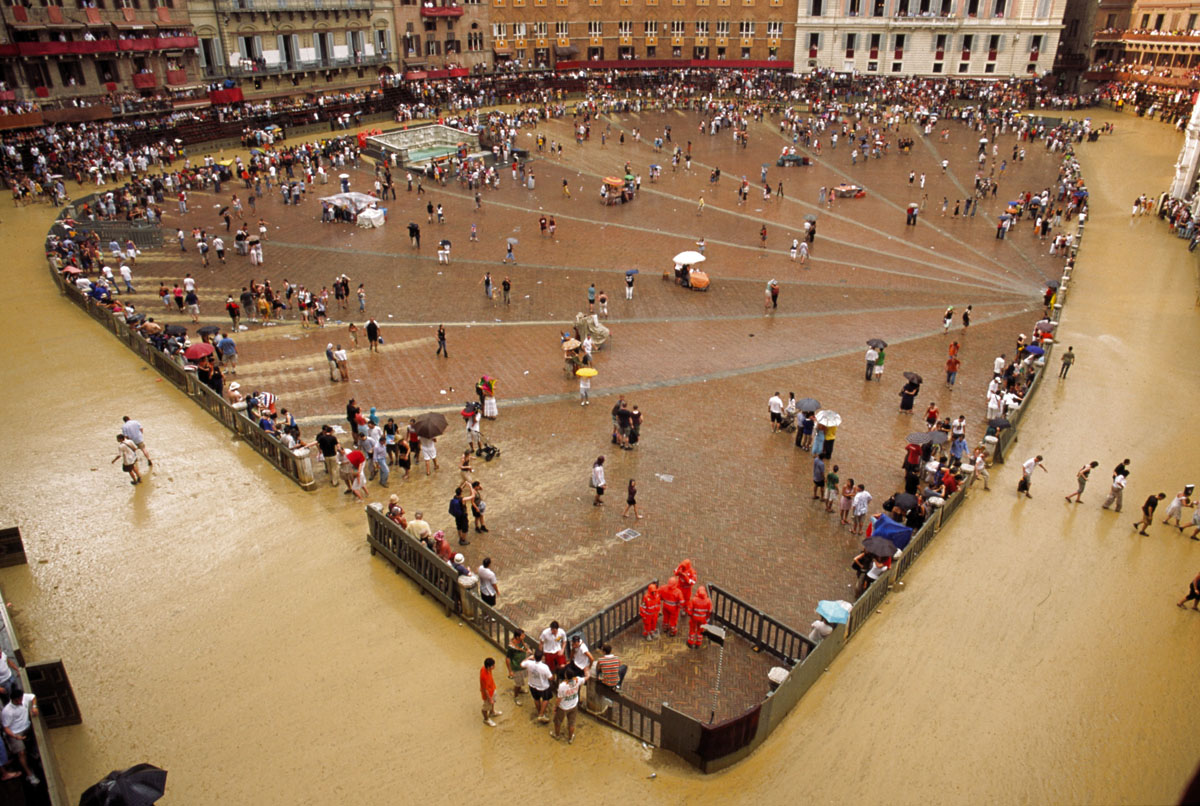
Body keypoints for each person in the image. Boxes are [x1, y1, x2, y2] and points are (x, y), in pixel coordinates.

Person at [0, 688, 38, 786]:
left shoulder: (24, 698)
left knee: (32, 747)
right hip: (15, 733)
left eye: (21, 699)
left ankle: (34, 757)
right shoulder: (7, 711)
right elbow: (6, 728)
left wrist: (34, 707)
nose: (20, 702)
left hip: (27, 728)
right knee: (21, 753)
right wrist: (15, 737)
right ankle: (30, 774)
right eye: (18, 700)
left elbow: (33, 697)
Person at [520, 648, 554, 723]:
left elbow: (521, 664)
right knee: (546, 699)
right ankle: (541, 714)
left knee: (536, 699)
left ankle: (539, 711)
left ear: (534, 657)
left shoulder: (529, 663)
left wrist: (529, 657)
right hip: (543, 686)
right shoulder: (544, 667)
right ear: (542, 657)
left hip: (532, 684)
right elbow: (550, 677)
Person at [551, 666, 582, 743]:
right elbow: (586, 678)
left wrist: (555, 707)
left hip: (563, 707)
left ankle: (557, 735)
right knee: (572, 723)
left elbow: (559, 699)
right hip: (574, 705)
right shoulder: (577, 680)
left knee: (558, 721)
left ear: (565, 675)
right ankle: (570, 738)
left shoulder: (562, 686)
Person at [504, 629, 528, 706]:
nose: (524, 636)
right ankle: (516, 696)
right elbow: (507, 659)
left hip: (522, 665)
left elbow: (525, 649)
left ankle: (520, 689)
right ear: (517, 637)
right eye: (522, 635)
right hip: (516, 667)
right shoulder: (511, 647)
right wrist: (510, 671)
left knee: (521, 680)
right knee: (518, 683)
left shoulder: (521, 642)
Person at [480, 658, 502, 727]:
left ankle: (492, 712)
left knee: (493, 701)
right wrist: (489, 698)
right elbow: (485, 689)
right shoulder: (484, 676)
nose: (494, 666)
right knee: (485, 708)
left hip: (492, 688)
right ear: (489, 667)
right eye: (493, 665)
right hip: (488, 693)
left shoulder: (487, 669)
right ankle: (486, 719)